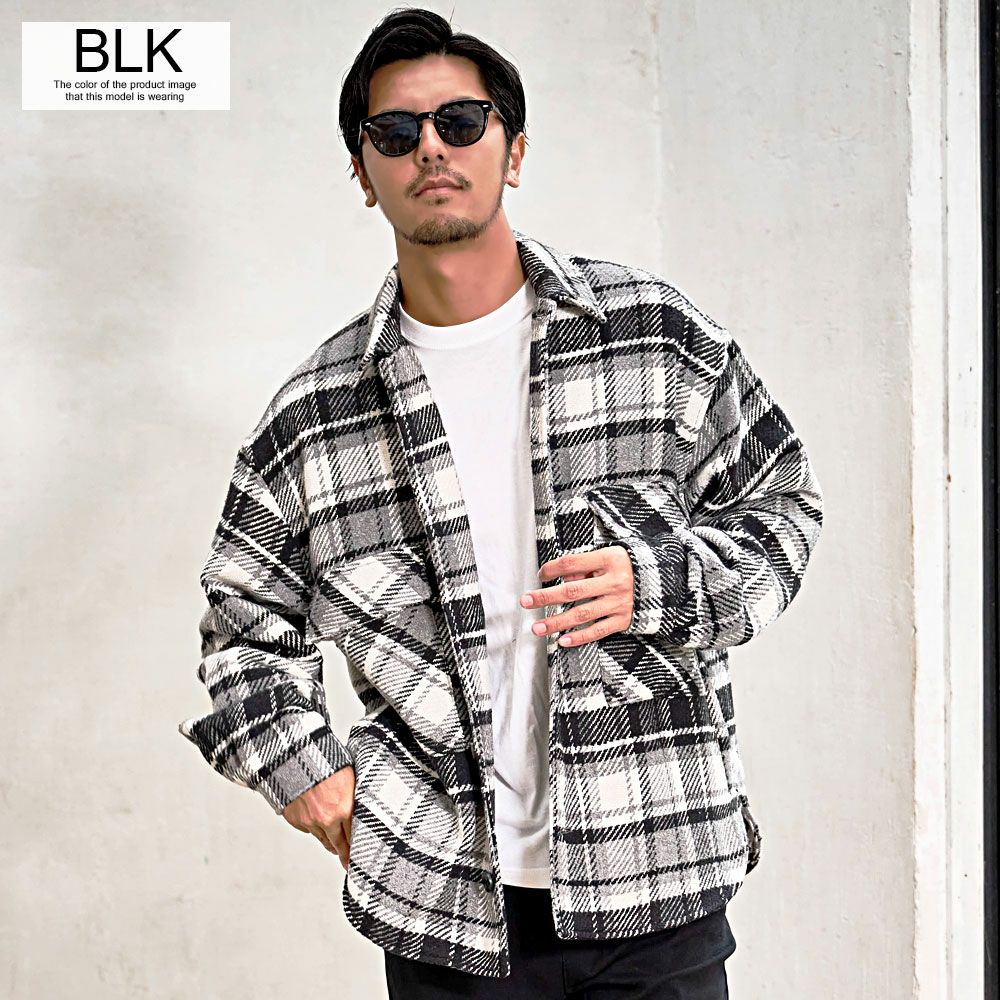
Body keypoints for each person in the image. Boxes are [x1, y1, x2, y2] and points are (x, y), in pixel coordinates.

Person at [178, 7, 824, 997]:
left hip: (658, 876)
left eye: (460, 122)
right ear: (363, 172)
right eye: (396, 132)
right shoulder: (315, 418)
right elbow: (241, 623)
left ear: (512, 151)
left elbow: (783, 505)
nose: (430, 148)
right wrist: (303, 768)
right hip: (447, 913)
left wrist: (659, 583)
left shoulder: (649, 336)